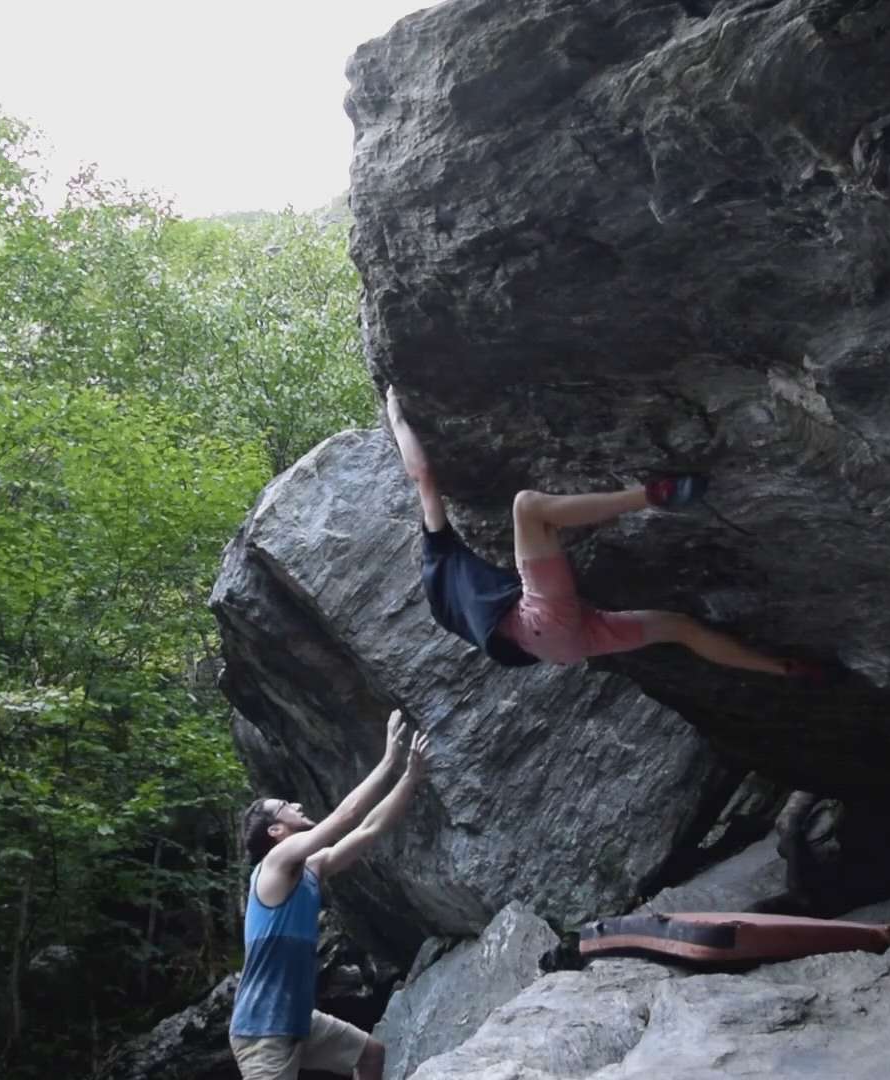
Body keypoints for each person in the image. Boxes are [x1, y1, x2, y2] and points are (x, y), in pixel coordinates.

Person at [385, 385, 814, 675]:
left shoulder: (446, 607)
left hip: (561, 648)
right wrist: (396, 417)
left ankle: (782, 668)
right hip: (541, 622)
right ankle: (651, 494)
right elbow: (423, 476)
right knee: (527, 508)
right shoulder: (437, 553)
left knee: (681, 629)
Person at [229, 709, 430, 1080]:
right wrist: (388, 760)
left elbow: (368, 830)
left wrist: (409, 777)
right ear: (275, 831)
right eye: (286, 807)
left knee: (370, 1055)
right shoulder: (275, 864)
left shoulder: (311, 867)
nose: (297, 805)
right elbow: (344, 817)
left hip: (297, 1019)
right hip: (262, 1031)